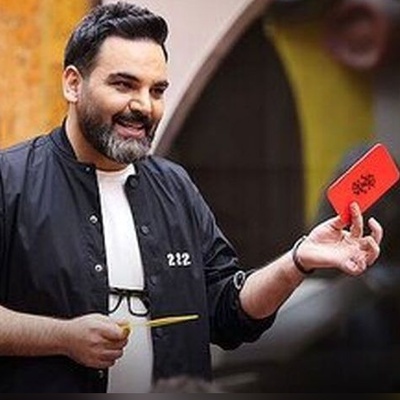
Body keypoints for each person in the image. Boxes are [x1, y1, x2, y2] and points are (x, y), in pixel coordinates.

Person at [0, 1, 383, 393]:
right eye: (124, 85)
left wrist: (299, 259)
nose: (144, 106)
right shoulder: (11, 181)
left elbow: (230, 310)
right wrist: (63, 338)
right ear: (73, 84)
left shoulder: (175, 186)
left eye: (157, 90)